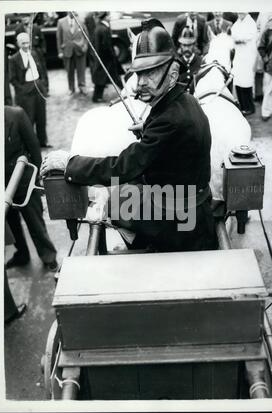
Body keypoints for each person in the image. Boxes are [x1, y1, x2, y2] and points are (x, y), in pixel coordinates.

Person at [41, 19, 218, 253]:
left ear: (173, 74)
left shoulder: (169, 119)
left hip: (180, 222)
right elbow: (176, 148)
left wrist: (69, 164)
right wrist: (147, 132)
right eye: (139, 74)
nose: (140, 84)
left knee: (115, 202)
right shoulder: (186, 101)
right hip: (194, 205)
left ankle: (147, 245)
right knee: (130, 189)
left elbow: (123, 166)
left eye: (150, 74)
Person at [5, 105, 58, 271]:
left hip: (24, 181)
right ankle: (22, 254)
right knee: (11, 223)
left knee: (35, 223)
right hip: (0, 187)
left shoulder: (16, 114)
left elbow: (34, 147)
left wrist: (37, 179)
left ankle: (48, 256)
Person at [9, 32, 49, 148]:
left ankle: (43, 141)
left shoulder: (34, 53)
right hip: (25, 92)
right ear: (18, 43)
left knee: (41, 117)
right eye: (23, 43)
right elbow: (13, 79)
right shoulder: (14, 59)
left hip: (38, 87)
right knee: (29, 119)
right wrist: (22, 90)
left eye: (27, 42)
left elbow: (41, 69)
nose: (26, 45)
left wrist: (43, 84)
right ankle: (30, 145)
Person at [92, 11, 124, 102]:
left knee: (102, 78)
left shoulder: (98, 27)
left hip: (101, 58)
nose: (110, 17)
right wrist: (113, 55)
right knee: (115, 77)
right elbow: (106, 45)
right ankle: (126, 92)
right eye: (109, 15)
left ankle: (96, 97)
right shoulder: (104, 29)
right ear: (105, 17)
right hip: (107, 59)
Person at [231, 13, 257, 116]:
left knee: (246, 82)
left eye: (242, 12)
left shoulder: (251, 23)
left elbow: (249, 37)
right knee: (238, 81)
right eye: (238, 12)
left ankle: (249, 107)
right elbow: (233, 34)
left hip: (247, 57)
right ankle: (242, 105)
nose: (240, 14)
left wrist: (239, 39)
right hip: (238, 57)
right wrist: (237, 39)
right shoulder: (237, 23)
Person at [56, 12, 88, 96]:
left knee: (81, 70)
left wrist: (85, 46)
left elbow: (86, 35)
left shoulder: (80, 21)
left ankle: (82, 87)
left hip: (79, 50)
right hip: (67, 50)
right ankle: (71, 88)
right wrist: (60, 51)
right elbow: (59, 38)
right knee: (69, 71)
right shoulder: (61, 22)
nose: (72, 12)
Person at [15, 14, 49, 92]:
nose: (25, 19)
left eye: (26, 17)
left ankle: (45, 89)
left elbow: (42, 40)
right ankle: (30, 89)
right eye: (23, 17)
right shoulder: (18, 29)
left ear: (30, 18)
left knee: (41, 70)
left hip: (36, 50)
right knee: (27, 70)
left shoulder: (36, 28)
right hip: (25, 52)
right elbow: (16, 42)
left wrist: (42, 51)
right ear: (21, 19)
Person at [258, 14, 272, 121]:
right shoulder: (268, 30)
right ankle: (266, 112)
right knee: (268, 89)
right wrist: (266, 60)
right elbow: (261, 47)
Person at [177, 26, 202, 94]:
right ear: (180, 46)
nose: (187, 49)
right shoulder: (176, 63)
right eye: (184, 45)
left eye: (189, 45)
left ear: (194, 45)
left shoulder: (201, 62)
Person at [84, 12, 97, 88]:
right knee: (93, 63)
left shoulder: (94, 15)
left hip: (95, 42)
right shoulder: (89, 17)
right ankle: (95, 81)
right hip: (92, 43)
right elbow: (88, 31)